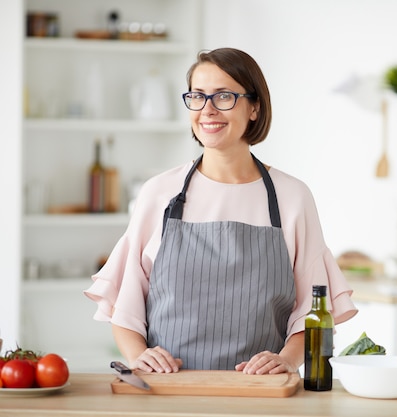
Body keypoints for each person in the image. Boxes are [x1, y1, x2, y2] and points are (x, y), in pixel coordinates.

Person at [84, 48, 357, 375]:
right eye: (197, 97)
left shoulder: (293, 197)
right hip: (168, 392)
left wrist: (287, 360)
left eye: (224, 96)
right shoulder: (158, 193)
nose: (208, 110)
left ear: (254, 107)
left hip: (260, 395)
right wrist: (137, 355)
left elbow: (313, 313)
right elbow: (125, 305)